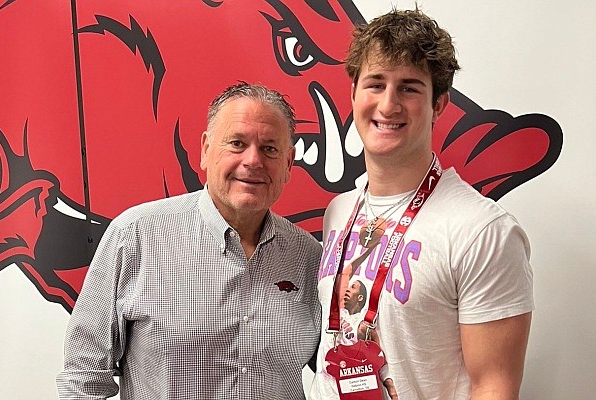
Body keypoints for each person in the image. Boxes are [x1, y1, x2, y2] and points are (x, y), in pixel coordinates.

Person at [310, 8, 533, 400]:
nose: (388, 104)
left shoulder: (482, 231)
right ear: (353, 94)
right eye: (375, 84)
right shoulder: (339, 212)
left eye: (409, 87)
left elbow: (494, 387)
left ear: (439, 104)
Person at [56, 82, 322, 400]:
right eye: (237, 143)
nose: (253, 161)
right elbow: (83, 377)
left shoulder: (310, 257)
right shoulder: (135, 236)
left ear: (289, 163)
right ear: (206, 150)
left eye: (270, 148)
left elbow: (340, 368)